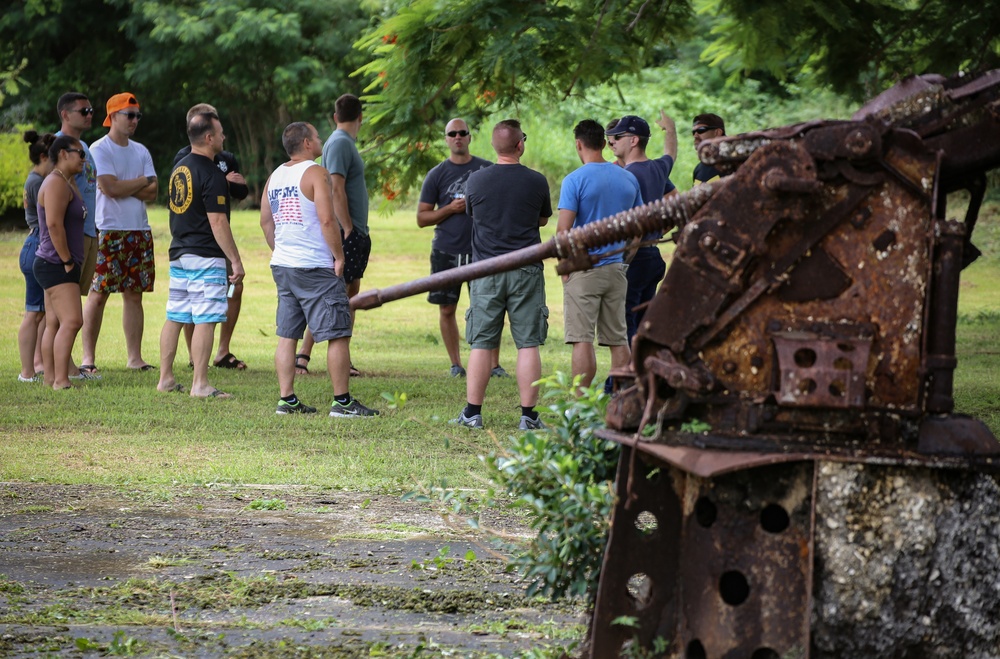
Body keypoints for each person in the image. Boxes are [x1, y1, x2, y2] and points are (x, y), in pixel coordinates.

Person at [261, 122, 378, 417]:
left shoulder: (275, 175)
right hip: (315, 265)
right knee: (338, 333)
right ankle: (342, 402)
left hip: (284, 265)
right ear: (306, 142)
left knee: (288, 334)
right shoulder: (316, 173)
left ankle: (286, 400)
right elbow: (328, 220)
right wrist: (339, 257)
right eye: (316, 136)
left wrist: (280, 249)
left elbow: (265, 220)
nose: (320, 139)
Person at [452, 119, 551, 430]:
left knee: (481, 343)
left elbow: (473, 215)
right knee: (528, 344)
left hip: (486, 271)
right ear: (520, 145)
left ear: (494, 146)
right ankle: (528, 417)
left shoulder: (476, 182)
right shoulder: (537, 181)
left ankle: (472, 413)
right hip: (526, 268)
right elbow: (543, 220)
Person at [156, 110, 244, 398]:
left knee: (176, 316)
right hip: (205, 254)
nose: (223, 137)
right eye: (220, 133)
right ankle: (200, 384)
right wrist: (235, 259)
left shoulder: (179, 168)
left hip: (179, 251)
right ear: (209, 138)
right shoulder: (212, 173)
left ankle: (166, 379)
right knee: (206, 318)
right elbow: (218, 221)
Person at [558, 119, 643, 391]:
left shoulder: (574, 180)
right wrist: (624, 259)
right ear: (605, 143)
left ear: (579, 144)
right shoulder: (628, 177)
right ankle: (621, 401)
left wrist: (565, 266)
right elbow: (639, 230)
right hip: (616, 270)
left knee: (582, 339)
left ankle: (582, 405)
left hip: (584, 270)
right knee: (618, 339)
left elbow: (563, 231)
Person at [416, 118, 506, 378]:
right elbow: (422, 218)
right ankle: (456, 364)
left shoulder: (486, 169)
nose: (457, 137)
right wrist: (450, 209)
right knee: (447, 308)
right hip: (446, 250)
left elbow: (500, 208)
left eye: (462, 133)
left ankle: (493, 364)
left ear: (469, 137)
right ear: (446, 139)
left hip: (482, 251)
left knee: (489, 307)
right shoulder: (437, 174)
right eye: (452, 133)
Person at [295, 94, 371, 378]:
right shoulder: (340, 142)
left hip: (354, 230)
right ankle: (304, 355)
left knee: (348, 292)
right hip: (345, 230)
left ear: (335, 115)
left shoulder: (344, 143)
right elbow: (335, 188)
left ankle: (334, 357)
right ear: (360, 117)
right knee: (335, 295)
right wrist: (348, 227)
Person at [82, 93, 157, 373]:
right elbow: (109, 188)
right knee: (98, 294)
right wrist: (139, 182)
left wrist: (123, 186)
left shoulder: (141, 151)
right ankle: (88, 358)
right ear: (113, 116)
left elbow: (154, 191)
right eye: (130, 115)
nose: (135, 121)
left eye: (137, 116)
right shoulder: (99, 149)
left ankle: (134, 358)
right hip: (108, 231)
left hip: (139, 231)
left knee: (134, 295)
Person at [174, 103, 250, 371]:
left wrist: (225, 182)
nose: (223, 136)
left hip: (212, 241)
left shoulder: (224, 158)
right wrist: (221, 180)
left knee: (233, 289)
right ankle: (196, 357)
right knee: (194, 307)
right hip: (202, 243)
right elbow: (195, 193)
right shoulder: (185, 159)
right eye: (218, 130)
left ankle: (222, 350)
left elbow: (241, 190)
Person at [606, 113, 679, 345]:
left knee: (625, 321)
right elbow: (671, 154)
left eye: (618, 136)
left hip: (634, 257)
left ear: (634, 140)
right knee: (644, 322)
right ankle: (644, 373)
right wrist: (671, 130)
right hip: (653, 256)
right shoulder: (658, 168)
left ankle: (623, 379)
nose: (612, 141)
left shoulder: (624, 175)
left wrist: (623, 262)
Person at [31, 135, 89, 390]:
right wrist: (67, 260)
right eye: (80, 154)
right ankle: (61, 381)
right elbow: (54, 225)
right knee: (73, 321)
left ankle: (50, 378)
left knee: (54, 322)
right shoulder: (55, 183)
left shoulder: (65, 181)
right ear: (64, 153)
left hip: (53, 263)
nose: (84, 159)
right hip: (56, 263)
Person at [18, 131, 55, 383]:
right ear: (44, 157)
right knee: (33, 312)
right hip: (35, 245)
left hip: (38, 244)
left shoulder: (38, 179)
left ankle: (37, 365)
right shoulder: (37, 182)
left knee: (41, 312)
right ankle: (26, 372)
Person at [55, 92, 99, 298]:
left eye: (90, 111)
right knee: (60, 310)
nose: (89, 115)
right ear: (65, 114)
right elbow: (46, 187)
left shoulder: (85, 148)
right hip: (71, 233)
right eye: (83, 111)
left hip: (89, 232)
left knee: (74, 303)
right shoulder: (57, 146)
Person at [692, 113, 726, 184]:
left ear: (717, 132)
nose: (695, 135)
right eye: (693, 132)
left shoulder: (734, 160)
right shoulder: (699, 169)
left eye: (701, 130)